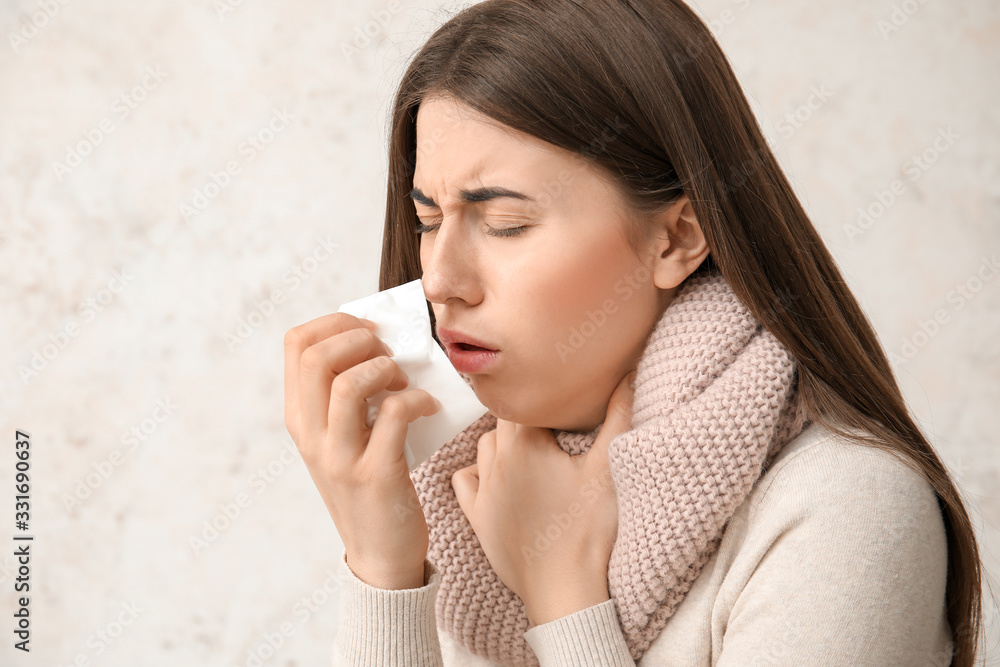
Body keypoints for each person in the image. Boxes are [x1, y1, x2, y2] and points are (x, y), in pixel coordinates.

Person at [282, 0, 984, 665]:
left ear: (677, 236)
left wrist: (561, 599)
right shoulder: (465, 489)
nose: (439, 279)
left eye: (506, 225)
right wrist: (384, 567)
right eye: (428, 222)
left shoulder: (847, 508)